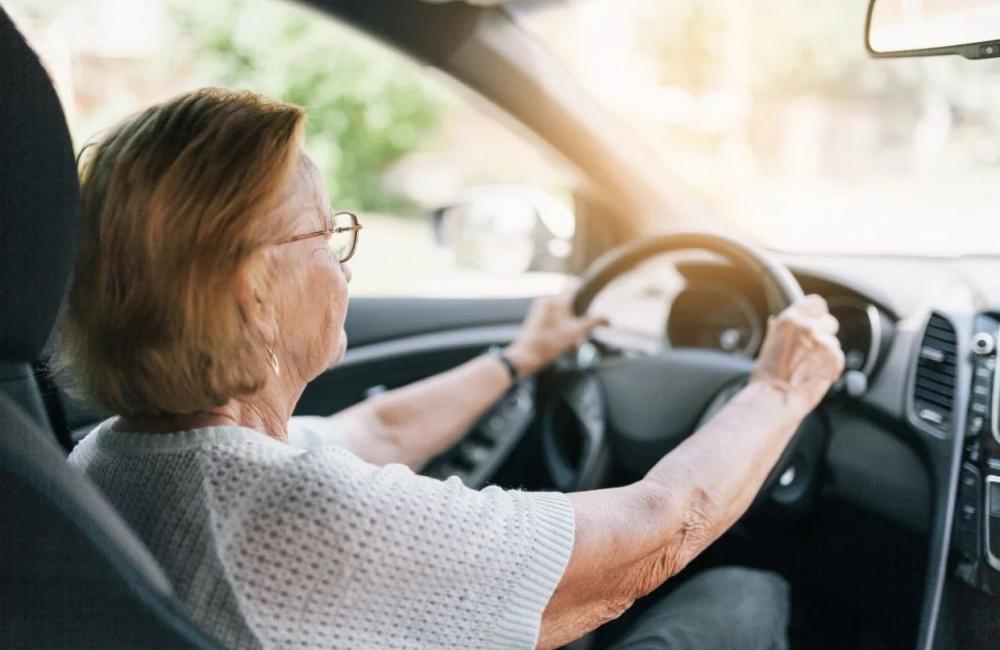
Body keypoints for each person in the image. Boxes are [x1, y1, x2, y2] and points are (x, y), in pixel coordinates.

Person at [59, 88, 844, 649]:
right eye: (327, 236)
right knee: (746, 595)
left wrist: (520, 358)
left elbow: (380, 427)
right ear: (254, 294)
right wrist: (779, 389)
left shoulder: (106, 458)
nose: (343, 267)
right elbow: (653, 535)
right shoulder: (298, 515)